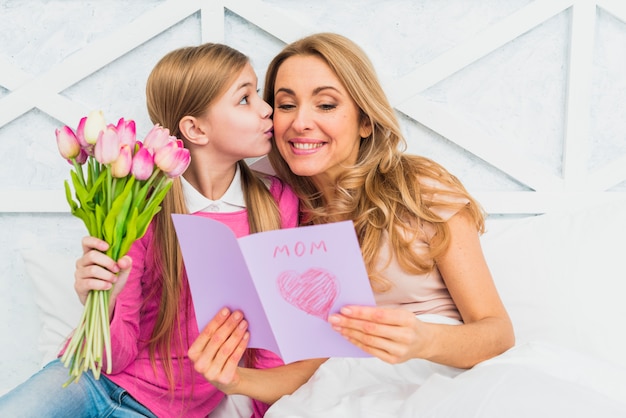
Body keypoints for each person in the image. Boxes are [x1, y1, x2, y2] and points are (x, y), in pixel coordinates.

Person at [0, 43, 323, 418]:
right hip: (85, 378)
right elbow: (113, 356)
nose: (267, 108)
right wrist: (102, 303)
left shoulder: (275, 203)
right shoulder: (142, 204)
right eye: (245, 99)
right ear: (196, 129)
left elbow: (272, 340)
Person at [257, 32, 515, 413]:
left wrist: (424, 340)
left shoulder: (418, 188)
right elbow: (313, 364)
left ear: (365, 121)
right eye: (286, 105)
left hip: (435, 382)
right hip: (342, 392)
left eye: (326, 104)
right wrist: (232, 381)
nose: (301, 122)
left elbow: (498, 332)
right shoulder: (283, 213)